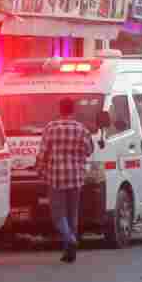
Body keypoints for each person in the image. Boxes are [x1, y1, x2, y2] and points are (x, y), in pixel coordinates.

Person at [37, 98, 94, 263]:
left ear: (60, 110)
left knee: (57, 216)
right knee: (72, 215)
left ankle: (70, 239)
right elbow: (89, 150)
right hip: (76, 178)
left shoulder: (51, 128)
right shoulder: (81, 129)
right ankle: (70, 252)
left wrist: (41, 171)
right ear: (73, 110)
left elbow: (43, 154)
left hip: (56, 178)